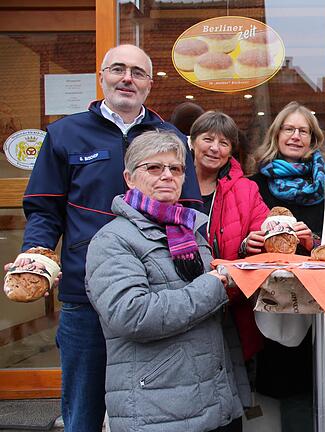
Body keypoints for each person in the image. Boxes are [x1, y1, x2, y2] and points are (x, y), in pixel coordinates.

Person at [7, 44, 201, 431]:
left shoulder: (171, 136)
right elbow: (45, 210)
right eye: (117, 69)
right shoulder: (65, 133)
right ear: (102, 77)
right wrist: (37, 254)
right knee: (83, 407)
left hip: (154, 294)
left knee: (158, 407)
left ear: (149, 84)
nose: (126, 78)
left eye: (137, 72)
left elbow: (189, 207)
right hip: (85, 294)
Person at [85, 131, 245, 432]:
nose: (166, 176)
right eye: (154, 168)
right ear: (130, 178)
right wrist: (215, 284)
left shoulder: (189, 232)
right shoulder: (112, 240)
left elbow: (206, 314)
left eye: (175, 169)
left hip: (212, 401)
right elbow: (133, 315)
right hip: (157, 410)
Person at [247, 101, 325, 431]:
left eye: (303, 131)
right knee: (292, 390)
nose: (295, 136)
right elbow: (246, 242)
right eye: (289, 129)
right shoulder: (255, 185)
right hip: (280, 307)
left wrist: (313, 239)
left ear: (313, 140)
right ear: (277, 135)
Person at [190, 110, 270, 400]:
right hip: (181, 303)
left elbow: (264, 235)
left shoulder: (246, 189)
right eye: (207, 139)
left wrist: (249, 244)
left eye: (224, 143)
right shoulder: (171, 182)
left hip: (229, 305)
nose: (215, 148)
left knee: (229, 396)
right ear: (192, 142)